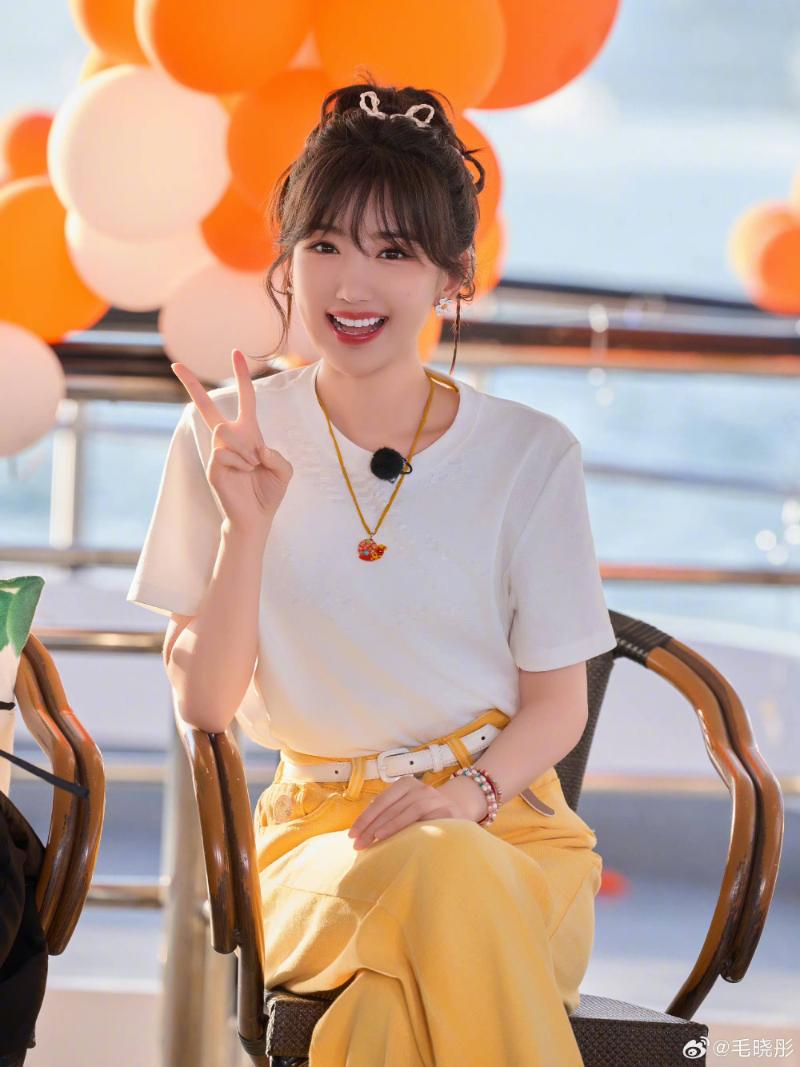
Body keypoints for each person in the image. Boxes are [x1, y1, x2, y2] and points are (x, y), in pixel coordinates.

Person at [126, 78, 618, 1067]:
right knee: (437, 881)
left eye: (393, 252)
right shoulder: (226, 436)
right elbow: (208, 705)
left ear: (452, 274)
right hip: (321, 845)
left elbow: (556, 706)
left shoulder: (529, 453)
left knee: (388, 1012)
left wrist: (466, 796)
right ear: (288, 259)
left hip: (512, 837)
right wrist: (246, 529)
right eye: (324, 245)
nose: (351, 284)